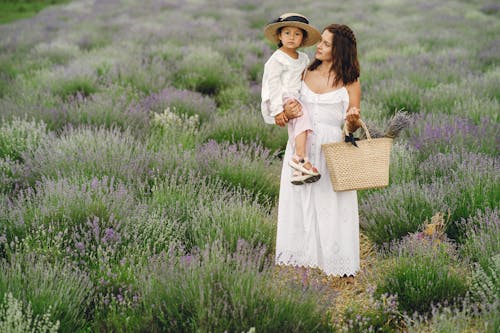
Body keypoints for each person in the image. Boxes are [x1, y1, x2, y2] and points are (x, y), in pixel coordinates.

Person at [273, 23, 362, 277]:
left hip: (332, 150)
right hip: (302, 149)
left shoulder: (350, 82)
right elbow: (288, 106)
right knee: (300, 203)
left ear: (340, 50)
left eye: (325, 43)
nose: (318, 46)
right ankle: (301, 261)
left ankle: (335, 264)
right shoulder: (303, 71)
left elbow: (351, 124)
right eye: (320, 41)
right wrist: (285, 113)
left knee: (332, 206)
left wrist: (353, 121)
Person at [261, 13, 322, 185]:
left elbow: (304, 79)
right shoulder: (277, 59)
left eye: (297, 34)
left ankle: (298, 171)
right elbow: (272, 85)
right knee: (302, 120)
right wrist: (278, 110)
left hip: (298, 96)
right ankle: (299, 158)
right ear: (279, 36)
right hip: (283, 97)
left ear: (302, 39)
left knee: (300, 130)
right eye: (287, 33)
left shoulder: (303, 58)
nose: (291, 37)